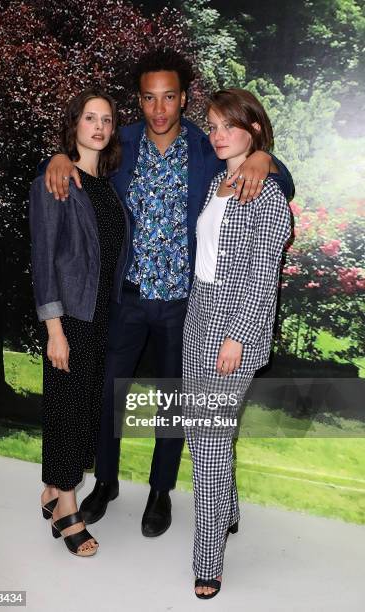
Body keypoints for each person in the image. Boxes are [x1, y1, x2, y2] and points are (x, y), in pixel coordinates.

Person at [41, 48, 295, 538]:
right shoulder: (123, 143)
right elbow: (82, 157)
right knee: (108, 395)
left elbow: (280, 178)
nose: (159, 109)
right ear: (140, 101)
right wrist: (57, 155)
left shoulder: (207, 146)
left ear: (184, 99)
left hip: (185, 305)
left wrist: (266, 157)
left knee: (174, 402)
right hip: (128, 297)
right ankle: (106, 483)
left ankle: (160, 493)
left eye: (170, 97)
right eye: (149, 98)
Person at [182, 89, 292, 598]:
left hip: (232, 324)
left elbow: (262, 273)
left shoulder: (265, 192)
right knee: (205, 435)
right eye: (213, 125)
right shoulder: (218, 183)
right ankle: (226, 512)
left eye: (229, 126)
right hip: (197, 315)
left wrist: (237, 337)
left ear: (254, 130)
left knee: (207, 446)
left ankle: (208, 562)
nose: (218, 135)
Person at [29, 88, 128, 556]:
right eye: (90, 118)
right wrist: (54, 329)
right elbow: (43, 260)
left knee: (84, 412)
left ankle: (52, 490)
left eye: (106, 120)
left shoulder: (106, 186)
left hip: (101, 316)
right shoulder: (56, 180)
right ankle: (67, 509)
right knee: (67, 412)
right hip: (69, 317)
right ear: (75, 125)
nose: (99, 127)